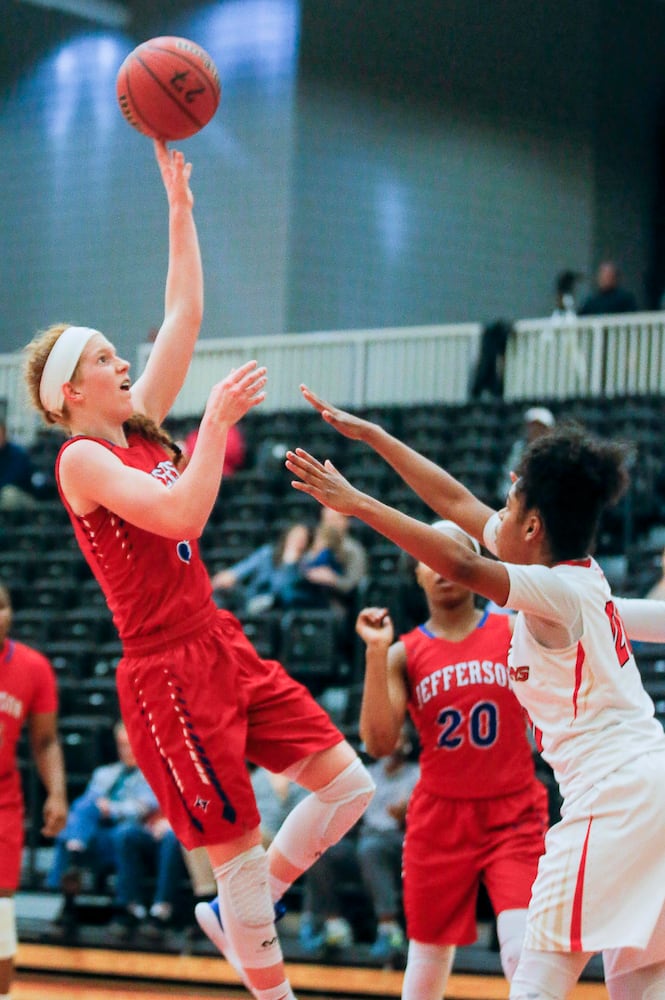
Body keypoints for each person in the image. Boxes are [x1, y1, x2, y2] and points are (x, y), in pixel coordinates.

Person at [22, 140, 374, 1000]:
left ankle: (239, 910)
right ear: (72, 392)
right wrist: (214, 422)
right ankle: (259, 952)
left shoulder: (139, 428)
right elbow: (182, 515)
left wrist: (179, 208)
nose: (122, 364)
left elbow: (182, 313)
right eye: (105, 359)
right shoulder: (80, 460)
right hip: (166, 671)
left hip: (218, 641)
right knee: (238, 858)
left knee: (347, 786)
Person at [286, 388, 665, 1000]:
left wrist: (356, 503)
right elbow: (456, 501)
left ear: (533, 526)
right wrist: (376, 437)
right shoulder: (584, 582)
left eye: (509, 506)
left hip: (613, 798)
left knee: (536, 983)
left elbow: (462, 565)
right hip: (652, 786)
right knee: (639, 984)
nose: (493, 520)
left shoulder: (550, 590)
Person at [354, 521, 548, 997]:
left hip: (514, 812)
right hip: (440, 819)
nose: (442, 566)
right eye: (430, 557)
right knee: (427, 959)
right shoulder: (402, 654)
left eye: (453, 553)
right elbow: (379, 744)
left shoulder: (514, 629)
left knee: (523, 951)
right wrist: (375, 655)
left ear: (474, 563)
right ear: (417, 573)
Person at [46, 721, 180, 940]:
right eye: (122, 745)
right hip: (104, 834)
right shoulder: (104, 773)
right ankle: (68, 897)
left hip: (135, 834)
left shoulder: (155, 773)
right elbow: (87, 806)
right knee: (76, 819)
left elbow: (142, 808)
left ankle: (76, 853)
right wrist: (101, 809)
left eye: (130, 744)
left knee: (115, 830)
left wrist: (111, 809)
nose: (126, 751)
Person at [0, 580, 67, 999]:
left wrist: (56, 794)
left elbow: (45, 741)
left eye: (2, 605)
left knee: (0, 911)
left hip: (3, 800)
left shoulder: (32, 666)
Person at [298, 728, 418, 963]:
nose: (392, 745)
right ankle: (334, 926)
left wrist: (408, 815)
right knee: (321, 849)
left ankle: (389, 929)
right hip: (364, 842)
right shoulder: (368, 774)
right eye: (387, 739)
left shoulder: (417, 775)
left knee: (371, 848)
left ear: (408, 745)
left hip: (400, 846)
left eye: (398, 740)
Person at [211, 521, 316, 615]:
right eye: (295, 536)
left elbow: (278, 588)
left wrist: (290, 563)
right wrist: (231, 575)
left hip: (277, 607)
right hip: (250, 598)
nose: (297, 541)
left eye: (302, 538)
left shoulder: (305, 564)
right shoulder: (267, 553)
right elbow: (244, 567)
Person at [495, 406, 555, 507]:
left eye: (540, 427)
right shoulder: (518, 448)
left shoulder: (555, 451)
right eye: (532, 426)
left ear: (548, 430)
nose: (535, 430)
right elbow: (509, 477)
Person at [0, 419, 38, 509]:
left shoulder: (18, 454)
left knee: (9, 494)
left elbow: (13, 479)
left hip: (21, 496)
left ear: (4, 434)